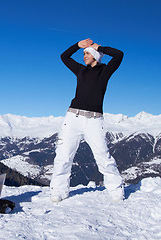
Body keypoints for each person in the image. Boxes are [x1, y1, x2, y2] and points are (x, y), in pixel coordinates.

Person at [50, 38, 124, 202]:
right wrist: (77, 45)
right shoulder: (80, 70)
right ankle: (58, 191)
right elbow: (64, 57)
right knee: (63, 155)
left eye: (87, 53)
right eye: (83, 53)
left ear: (95, 56)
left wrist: (99, 47)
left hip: (94, 120)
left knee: (103, 155)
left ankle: (116, 190)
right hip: (73, 117)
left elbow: (119, 55)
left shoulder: (105, 72)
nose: (83, 56)